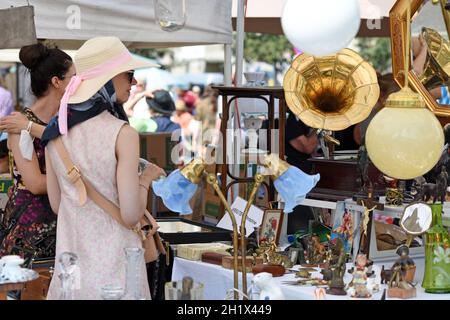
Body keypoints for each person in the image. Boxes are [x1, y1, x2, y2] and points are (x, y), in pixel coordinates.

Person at [43, 36, 165, 300]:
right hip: (116, 271)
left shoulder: (55, 131)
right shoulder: (122, 133)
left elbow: (57, 203)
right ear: (108, 78)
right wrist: (145, 179)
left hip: (71, 273)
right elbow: (131, 215)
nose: (133, 83)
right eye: (129, 74)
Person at [0, 43, 75, 264]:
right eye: (74, 77)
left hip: (62, 222)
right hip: (31, 231)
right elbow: (34, 183)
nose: (79, 83)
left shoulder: (64, 121)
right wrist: (80, 177)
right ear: (57, 82)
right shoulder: (19, 125)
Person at [285, 109, 320, 232]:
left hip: (302, 174)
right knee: (298, 214)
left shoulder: (299, 121)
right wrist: (320, 128)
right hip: (295, 176)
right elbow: (307, 147)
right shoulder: (292, 121)